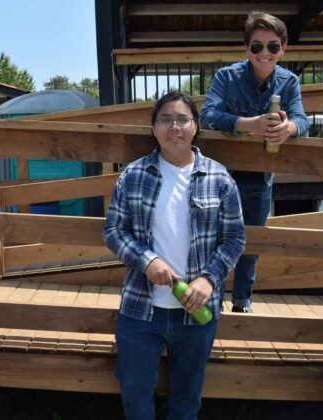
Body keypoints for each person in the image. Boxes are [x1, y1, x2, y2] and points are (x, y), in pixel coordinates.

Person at [103, 91, 245, 420]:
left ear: (195, 127)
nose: (174, 127)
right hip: (141, 308)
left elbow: (235, 238)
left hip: (196, 312)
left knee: (187, 398)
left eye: (182, 119)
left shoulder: (219, 178)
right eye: (165, 120)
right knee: (135, 390)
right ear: (154, 129)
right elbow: (113, 230)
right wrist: (146, 260)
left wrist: (210, 280)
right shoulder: (133, 175)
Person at [200, 11, 309, 313]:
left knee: (252, 243)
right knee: (217, 240)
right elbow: (207, 116)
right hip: (221, 175)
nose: (265, 53)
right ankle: (213, 299)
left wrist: (289, 128)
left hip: (260, 177)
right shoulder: (226, 76)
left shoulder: (289, 82)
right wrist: (252, 124)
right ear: (246, 48)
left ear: (283, 49)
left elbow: (302, 119)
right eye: (257, 46)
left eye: (273, 47)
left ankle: (242, 303)